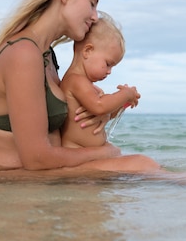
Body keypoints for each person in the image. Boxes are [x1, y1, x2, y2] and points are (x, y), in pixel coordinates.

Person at [0, 0, 160, 173]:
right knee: (142, 166)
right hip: (3, 185)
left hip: (31, 181)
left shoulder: (45, 54)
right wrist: (105, 152)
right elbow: (37, 159)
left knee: (144, 168)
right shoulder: (23, 54)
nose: (95, 16)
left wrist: (103, 113)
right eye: (92, 3)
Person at [59, 12, 140, 149]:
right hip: (78, 154)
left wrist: (123, 103)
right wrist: (124, 94)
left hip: (89, 155)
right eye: (108, 64)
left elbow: (105, 112)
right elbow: (99, 106)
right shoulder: (75, 81)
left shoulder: (86, 85)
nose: (109, 71)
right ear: (88, 51)